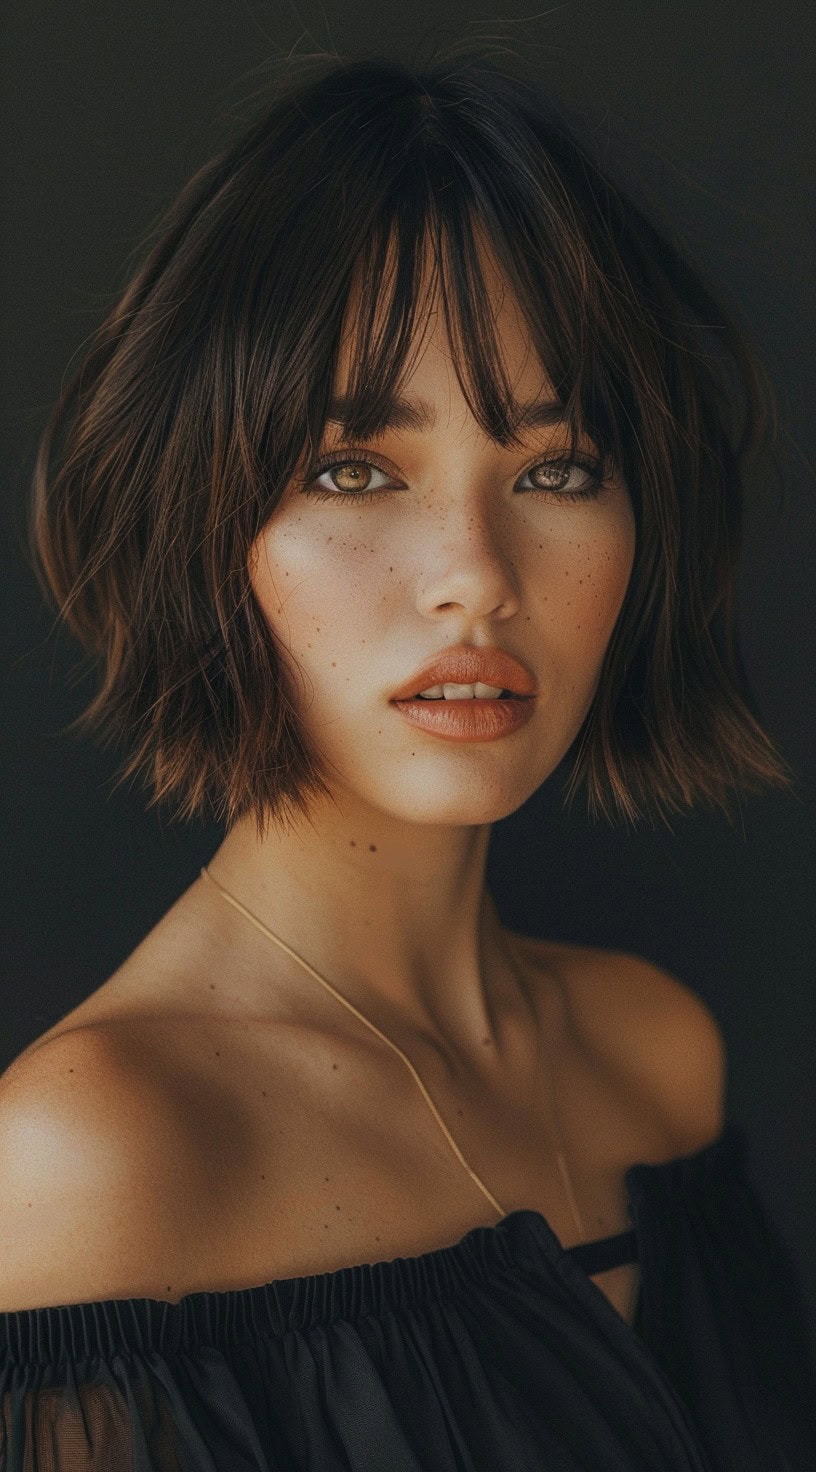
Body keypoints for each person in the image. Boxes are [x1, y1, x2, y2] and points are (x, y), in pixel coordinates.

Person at [1, 44, 814, 1471]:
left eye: (555, 472)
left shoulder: (653, 1052)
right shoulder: (95, 1154)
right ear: (208, 523)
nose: (475, 578)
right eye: (353, 471)